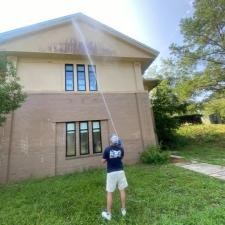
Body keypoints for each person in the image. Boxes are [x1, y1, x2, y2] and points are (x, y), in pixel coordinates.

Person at [101, 135, 128, 221]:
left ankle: (108, 214)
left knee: (109, 193)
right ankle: (123, 210)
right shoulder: (121, 149)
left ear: (111, 141)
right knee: (122, 190)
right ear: (117, 142)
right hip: (120, 171)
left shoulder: (107, 149)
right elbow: (121, 157)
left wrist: (107, 158)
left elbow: (102, 161)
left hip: (111, 173)